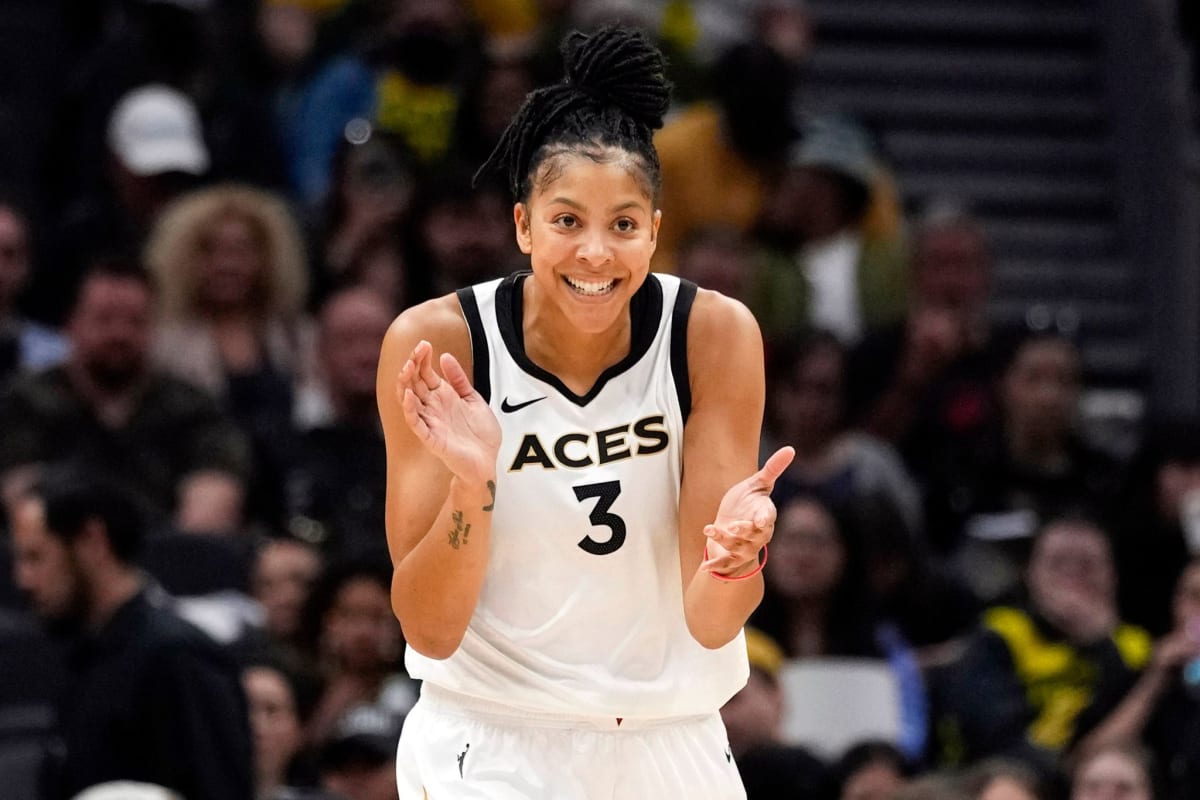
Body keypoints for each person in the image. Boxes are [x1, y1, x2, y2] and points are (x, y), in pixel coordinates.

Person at [376, 25, 793, 798]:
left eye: (624, 225)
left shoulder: (712, 334)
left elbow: (709, 621)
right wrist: (474, 485)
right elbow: (429, 628)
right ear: (523, 225)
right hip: (492, 738)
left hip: (672, 739)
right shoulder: (441, 343)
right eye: (567, 221)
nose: (596, 253)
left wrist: (736, 558)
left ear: (656, 231)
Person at [10, 467, 254, 800]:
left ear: (92, 541)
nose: (23, 580)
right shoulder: (90, 654)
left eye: (36, 557)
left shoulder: (176, 657)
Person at [0, 260, 252, 534]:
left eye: (135, 321)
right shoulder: (25, 401)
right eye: (105, 319)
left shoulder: (191, 407)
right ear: (71, 324)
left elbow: (216, 495)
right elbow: (21, 496)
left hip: (165, 560)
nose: (120, 334)